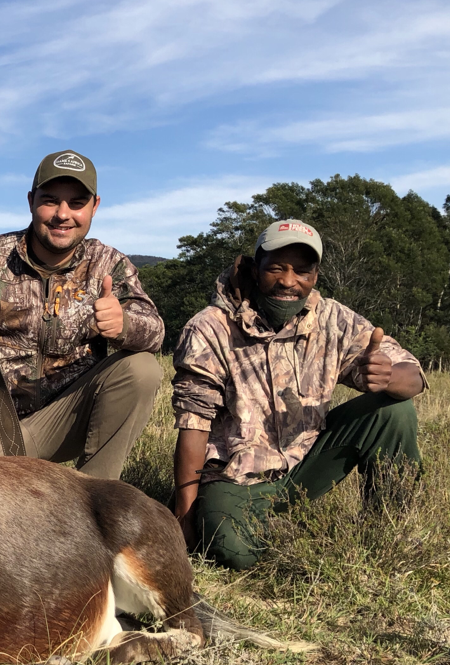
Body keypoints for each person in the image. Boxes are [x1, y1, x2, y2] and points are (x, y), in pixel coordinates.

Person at [172, 220, 425, 570]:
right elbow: (193, 423)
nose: (289, 281)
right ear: (255, 267)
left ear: (316, 275)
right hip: (237, 476)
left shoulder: (334, 319)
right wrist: (182, 518)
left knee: (394, 410)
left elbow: (414, 376)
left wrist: (386, 376)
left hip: (306, 464)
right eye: (276, 267)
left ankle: (389, 532)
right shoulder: (210, 327)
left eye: (302, 270)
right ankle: (284, 534)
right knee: (230, 551)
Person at [0, 149, 164, 479]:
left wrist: (124, 325)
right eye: (50, 200)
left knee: (142, 370)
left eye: (77, 203)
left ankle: (94, 501)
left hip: (67, 419)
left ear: (95, 206)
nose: (63, 214)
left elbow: (156, 331)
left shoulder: (109, 265)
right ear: (31, 200)